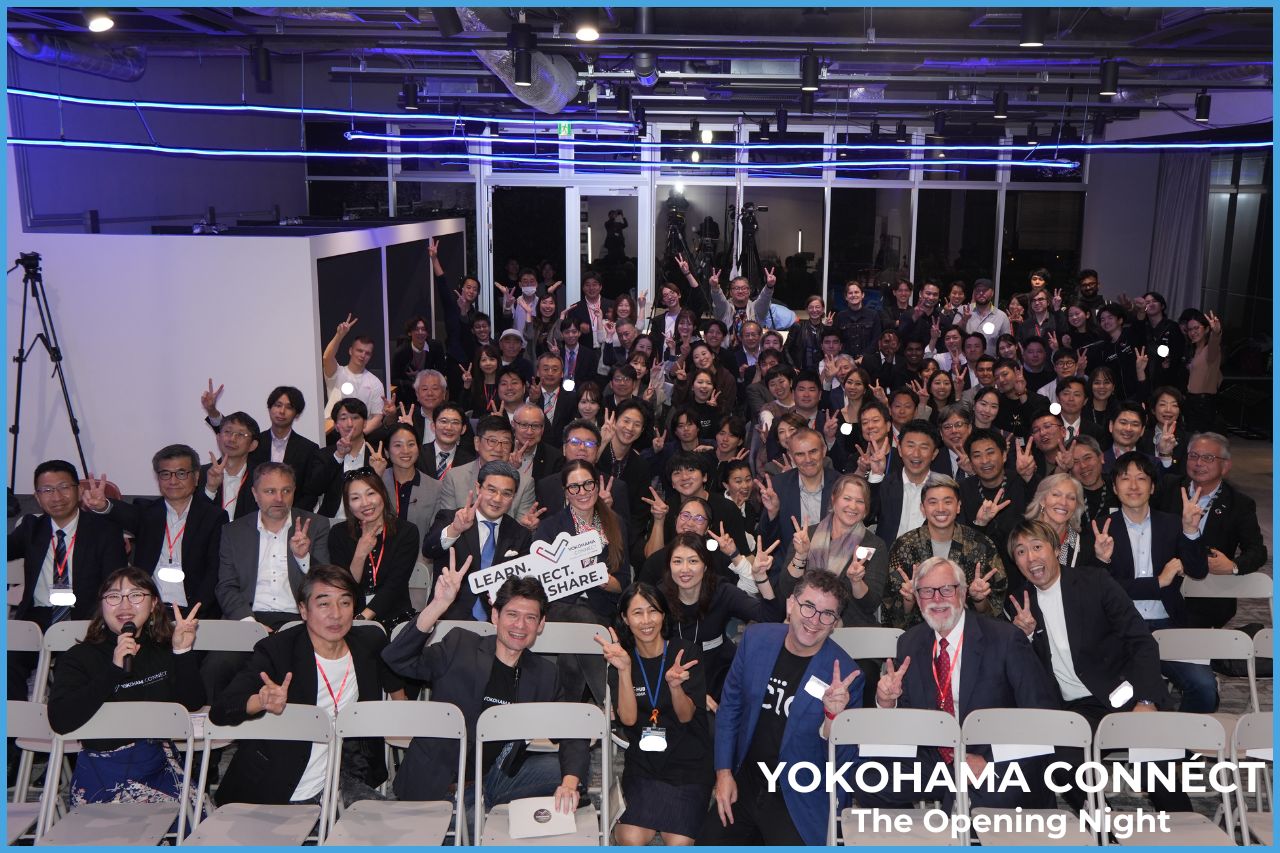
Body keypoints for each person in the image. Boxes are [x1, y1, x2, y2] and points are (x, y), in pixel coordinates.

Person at [1003, 518, 1193, 814]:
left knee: (1154, 767)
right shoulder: (1019, 602)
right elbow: (1025, 675)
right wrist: (1025, 637)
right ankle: (1105, 832)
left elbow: (1141, 641)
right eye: (1021, 552)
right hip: (1073, 709)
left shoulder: (1095, 582)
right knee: (1062, 763)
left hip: (1125, 692)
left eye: (1037, 547)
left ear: (1055, 549)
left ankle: (1188, 833)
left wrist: (1145, 699)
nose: (1031, 557)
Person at [381, 573, 589, 815]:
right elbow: (396, 658)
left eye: (530, 618)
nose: (520, 626)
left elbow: (572, 731)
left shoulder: (544, 673)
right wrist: (438, 605)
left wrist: (569, 784)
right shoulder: (460, 645)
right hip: (437, 784)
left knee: (564, 770)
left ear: (541, 624)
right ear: (495, 616)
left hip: (494, 779)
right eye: (512, 614)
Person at [869, 556, 1057, 811]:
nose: (937, 599)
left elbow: (1041, 715)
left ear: (964, 593)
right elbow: (908, 719)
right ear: (917, 597)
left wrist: (989, 761)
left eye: (947, 589)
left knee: (981, 798)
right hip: (936, 757)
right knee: (869, 779)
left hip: (994, 757)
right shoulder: (910, 643)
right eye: (926, 591)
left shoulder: (1005, 639)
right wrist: (887, 702)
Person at [209, 564, 404, 807]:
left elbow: (394, 675)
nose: (336, 614)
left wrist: (400, 709)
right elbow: (221, 709)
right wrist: (261, 701)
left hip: (346, 779)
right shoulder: (278, 651)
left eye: (345, 602)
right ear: (303, 609)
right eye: (323, 604)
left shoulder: (369, 643)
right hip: (277, 785)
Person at [700, 569, 862, 846]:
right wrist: (724, 772)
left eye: (827, 614)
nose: (815, 620)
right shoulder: (755, 640)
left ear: (835, 622)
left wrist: (833, 717)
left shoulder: (846, 675)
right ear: (790, 604)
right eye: (808, 607)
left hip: (799, 794)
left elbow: (844, 762)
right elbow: (730, 709)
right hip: (746, 780)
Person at [48, 568, 204, 811]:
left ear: (153, 604)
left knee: (198, 826)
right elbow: (60, 719)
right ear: (102, 605)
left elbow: (193, 703)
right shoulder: (79, 657)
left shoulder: (163, 649)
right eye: (113, 596)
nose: (124, 605)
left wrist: (182, 653)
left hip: (159, 768)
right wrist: (113, 670)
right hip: (103, 775)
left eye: (135, 595)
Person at [1098, 451, 1214, 712]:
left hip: (1168, 625)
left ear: (1152, 486)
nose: (1134, 485)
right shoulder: (1101, 528)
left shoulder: (1172, 524)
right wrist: (1158, 583)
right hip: (1120, 630)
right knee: (1120, 695)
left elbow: (1198, 570)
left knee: (1205, 688)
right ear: (1115, 487)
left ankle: (1183, 747)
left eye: (1142, 478)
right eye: (1125, 479)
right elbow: (1105, 587)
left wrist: (1191, 531)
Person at [597, 583, 711, 846]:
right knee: (629, 838)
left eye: (653, 611)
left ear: (663, 615)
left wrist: (675, 686)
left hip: (688, 764)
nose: (646, 621)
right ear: (625, 618)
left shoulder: (685, 653)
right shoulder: (620, 658)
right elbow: (627, 720)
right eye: (637, 613)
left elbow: (685, 716)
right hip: (644, 766)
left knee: (679, 842)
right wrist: (624, 670)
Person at [82, 445, 226, 617]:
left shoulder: (213, 517)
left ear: (195, 477)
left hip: (195, 611)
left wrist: (194, 612)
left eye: (181, 473)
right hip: (149, 611)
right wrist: (103, 505)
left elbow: (214, 572)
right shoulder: (146, 513)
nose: (173, 481)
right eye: (165, 474)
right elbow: (122, 512)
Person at [1154, 432, 1266, 629]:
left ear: (1226, 466)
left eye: (1208, 458)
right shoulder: (1169, 488)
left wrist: (1232, 566)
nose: (1198, 463)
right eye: (1193, 456)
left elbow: (1258, 552)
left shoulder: (1239, 504)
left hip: (1210, 594)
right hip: (1163, 586)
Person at [10, 459, 127, 630]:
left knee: (74, 657)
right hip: (35, 618)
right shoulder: (31, 528)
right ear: (37, 497)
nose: (56, 497)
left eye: (64, 487)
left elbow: (115, 584)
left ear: (79, 491)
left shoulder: (105, 531)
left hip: (86, 619)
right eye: (47, 490)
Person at [883, 475, 1006, 630]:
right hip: (919, 636)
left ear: (959, 506)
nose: (940, 508)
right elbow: (891, 617)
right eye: (933, 502)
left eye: (948, 502)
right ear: (923, 508)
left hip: (969, 634)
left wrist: (979, 600)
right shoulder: (904, 547)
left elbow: (995, 616)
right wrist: (908, 599)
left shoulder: (980, 546)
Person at [423, 460, 533, 621]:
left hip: (497, 621)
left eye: (506, 493)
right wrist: (455, 529)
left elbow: (522, 585)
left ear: (513, 497)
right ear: (477, 488)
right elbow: (428, 550)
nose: (497, 499)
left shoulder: (520, 533)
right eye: (491, 490)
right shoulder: (451, 517)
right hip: (448, 616)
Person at [777, 474, 889, 628]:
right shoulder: (807, 535)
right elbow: (787, 589)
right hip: (805, 621)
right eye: (847, 498)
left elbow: (870, 605)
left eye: (860, 501)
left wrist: (856, 582)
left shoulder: (874, 545)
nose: (853, 506)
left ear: (865, 510)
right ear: (834, 499)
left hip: (850, 629)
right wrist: (801, 555)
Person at [201, 383, 327, 511]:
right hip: (251, 512)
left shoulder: (308, 448)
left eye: (289, 407)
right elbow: (229, 435)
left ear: (297, 414)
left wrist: (289, 516)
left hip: (291, 516)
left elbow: (310, 492)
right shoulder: (254, 441)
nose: (282, 411)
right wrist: (212, 411)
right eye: (277, 405)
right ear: (270, 408)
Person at [534, 461, 630, 623]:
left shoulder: (616, 523)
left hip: (602, 609)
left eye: (588, 484)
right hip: (560, 609)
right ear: (565, 492)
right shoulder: (549, 527)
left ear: (597, 486)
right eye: (574, 487)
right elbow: (540, 582)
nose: (582, 492)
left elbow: (623, 582)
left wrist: (601, 578)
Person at [328, 470, 420, 632]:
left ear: (382, 494)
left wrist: (364, 618)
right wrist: (360, 553)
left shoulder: (406, 532)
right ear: (348, 504)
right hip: (350, 615)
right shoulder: (338, 533)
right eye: (355, 498)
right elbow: (344, 586)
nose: (365, 503)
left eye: (370, 493)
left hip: (395, 616)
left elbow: (395, 584)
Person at [437, 415, 534, 519]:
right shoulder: (455, 477)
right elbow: (445, 522)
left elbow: (522, 527)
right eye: (492, 441)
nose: (498, 449)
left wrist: (527, 527)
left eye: (505, 443)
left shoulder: (525, 483)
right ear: (477, 443)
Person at [756, 428, 834, 553]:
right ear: (791, 457)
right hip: (788, 565)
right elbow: (766, 542)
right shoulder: (778, 486)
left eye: (813, 451)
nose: (808, 459)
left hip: (830, 565)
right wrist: (773, 512)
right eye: (800, 454)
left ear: (824, 451)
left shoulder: (841, 484)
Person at [380, 423, 442, 549]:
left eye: (411, 444)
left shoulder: (435, 487)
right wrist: (375, 477)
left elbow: (434, 535)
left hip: (420, 562)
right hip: (380, 561)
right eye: (398, 445)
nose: (405, 451)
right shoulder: (376, 483)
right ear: (386, 452)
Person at [322, 313, 386, 432]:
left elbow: (377, 417)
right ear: (351, 351)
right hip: (333, 431)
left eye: (367, 353)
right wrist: (339, 335)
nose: (363, 355)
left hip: (361, 435)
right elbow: (327, 358)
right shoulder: (337, 372)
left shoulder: (375, 383)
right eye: (359, 350)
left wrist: (358, 436)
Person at [316, 399, 375, 519]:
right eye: (343, 418)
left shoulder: (377, 455)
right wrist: (338, 456)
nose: (349, 424)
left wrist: (378, 473)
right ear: (336, 426)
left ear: (364, 423)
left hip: (369, 520)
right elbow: (314, 489)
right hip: (333, 523)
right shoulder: (324, 455)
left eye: (355, 417)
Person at [1023, 473, 1094, 570]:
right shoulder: (1022, 537)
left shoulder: (1085, 546)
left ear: (1076, 506)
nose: (1063, 502)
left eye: (1071, 498)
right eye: (1056, 494)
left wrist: (1102, 559)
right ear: (1042, 500)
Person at [199, 412, 262, 521]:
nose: (232, 439)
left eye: (241, 434)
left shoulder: (261, 478)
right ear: (218, 438)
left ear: (253, 445)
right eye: (227, 432)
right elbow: (194, 517)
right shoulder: (200, 474)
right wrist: (210, 489)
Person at [1182, 309, 1222, 432]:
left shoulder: (1211, 350)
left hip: (1203, 403)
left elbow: (1215, 339)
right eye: (1189, 330)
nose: (1192, 332)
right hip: (1191, 401)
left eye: (1196, 328)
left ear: (1206, 329)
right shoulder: (1193, 351)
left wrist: (1216, 331)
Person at [1069, 435, 1118, 525]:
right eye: (1075, 462)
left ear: (1101, 457)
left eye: (1087, 458)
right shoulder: (1067, 497)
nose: (1083, 465)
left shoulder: (1118, 488)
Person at [421, 401, 476, 480]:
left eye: (455, 422)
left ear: (463, 429)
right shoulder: (418, 454)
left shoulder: (470, 462)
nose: (449, 427)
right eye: (443, 421)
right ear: (433, 426)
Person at [963, 278, 1010, 354]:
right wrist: (964, 320)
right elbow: (954, 336)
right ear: (974, 293)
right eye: (978, 290)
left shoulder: (1002, 316)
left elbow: (1007, 345)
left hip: (992, 363)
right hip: (966, 362)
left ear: (992, 293)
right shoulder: (963, 310)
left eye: (985, 290)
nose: (981, 293)